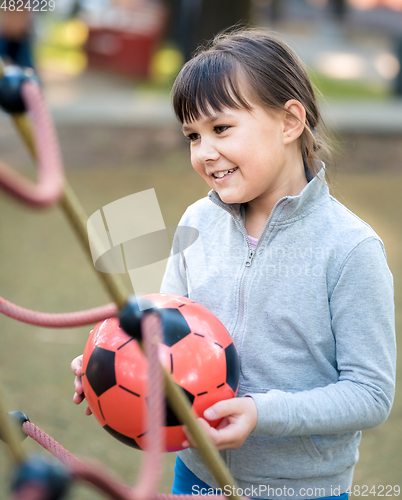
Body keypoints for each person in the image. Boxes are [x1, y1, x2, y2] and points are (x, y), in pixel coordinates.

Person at [71, 29, 396, 500]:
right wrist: (110, 364)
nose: (204, 152)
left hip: (300, 488)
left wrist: (261, 413)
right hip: (197, 475)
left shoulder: (350, 248)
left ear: (289, 122)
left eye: (221, 129)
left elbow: (370, 393)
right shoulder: (196, 222)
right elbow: (161, 334)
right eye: (192, 136)